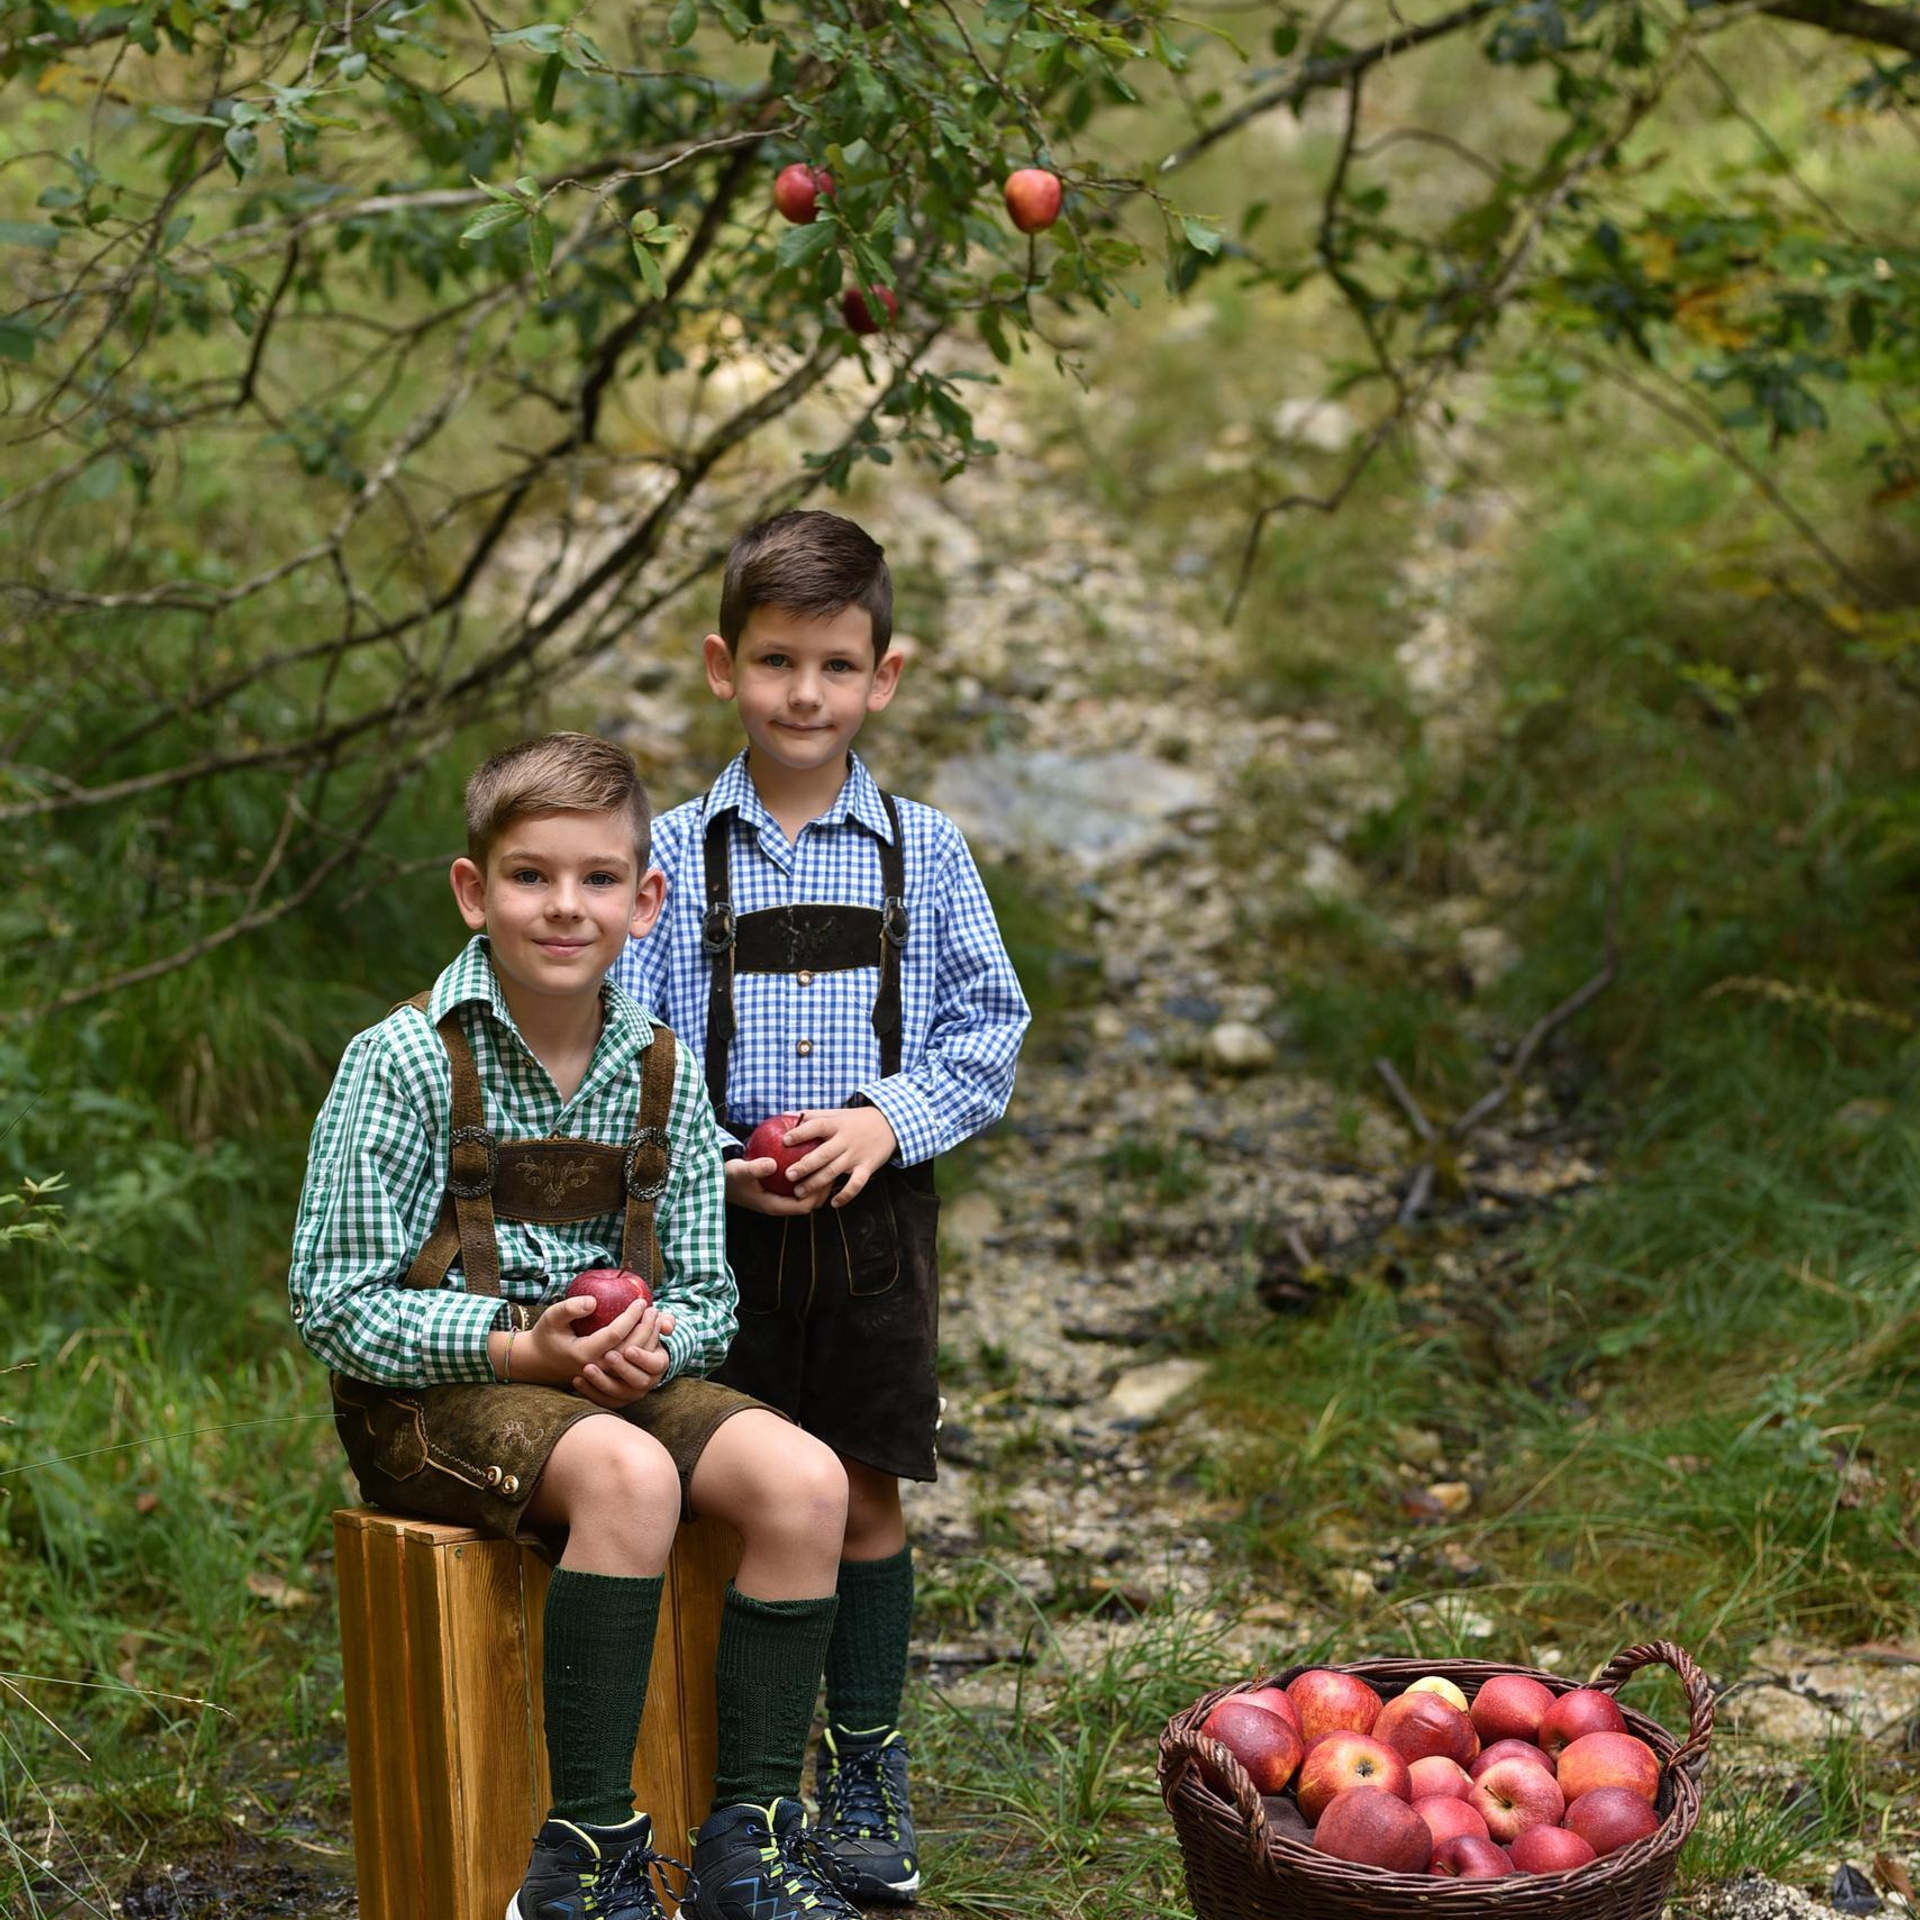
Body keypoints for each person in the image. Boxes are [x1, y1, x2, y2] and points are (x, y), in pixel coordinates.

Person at [289, 732, 866, 1920]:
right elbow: (333, 1304)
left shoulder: (658, 1068)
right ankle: (585, 1859)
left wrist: (649, 1343)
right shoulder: (402, 1063)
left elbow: (707, 1294)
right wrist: (519, 1346)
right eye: (531, 876)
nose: (566, 907)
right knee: (629, 1474)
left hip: (604, 1378)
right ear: (473, 892)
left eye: (599, 878)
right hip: (433, 1398)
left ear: (645, 900)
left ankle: (748, 1846)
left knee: (809, 1481)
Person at [616, 511, 1030, 1906]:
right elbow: (622, 1042)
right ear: (722, 667)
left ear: (886, 675)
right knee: (722, 1485)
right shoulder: (670, 857)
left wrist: (884, 1119)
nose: (807, 694)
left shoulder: (927, 852)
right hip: (717, 1219)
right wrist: (687, 1154)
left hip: (873, 1232)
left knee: (856, 1486)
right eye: (779, 661)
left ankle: (860, 1765)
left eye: (836, 666)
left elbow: (988, 1032)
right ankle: (735, 1788)